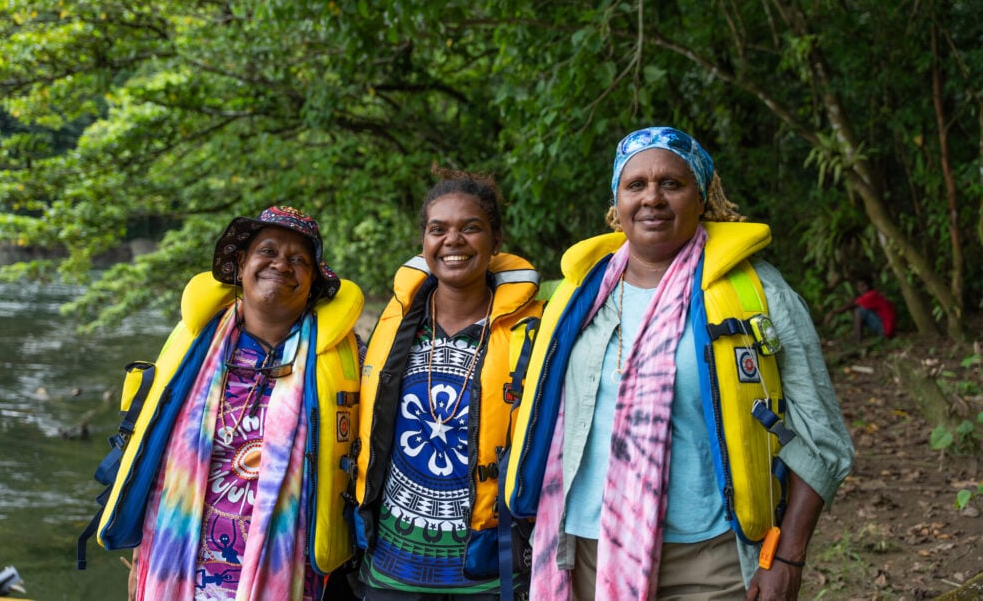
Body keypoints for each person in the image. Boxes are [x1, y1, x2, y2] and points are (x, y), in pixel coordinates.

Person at [504, 127, 855, 601]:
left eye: (671, 183)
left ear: (702, 196)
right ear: (617, 202)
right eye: (636, 185)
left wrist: (788, 558)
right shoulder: (578, 297)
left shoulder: (759, 294)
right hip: (586, 550)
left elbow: (821, 436)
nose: (653, 198)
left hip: (713, 558)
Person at [91, 206, 364, 601]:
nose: (281, 264)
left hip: (288, 576)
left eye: (298, 259)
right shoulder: (194, 350)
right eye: (266, 251)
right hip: (177, 563)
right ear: (241, 265)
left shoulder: (340, 359)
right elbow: (159, 458)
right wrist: (141, 558)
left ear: (313, 281)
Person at [353, 168, 543, 600]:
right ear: (424, 242)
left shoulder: (533, 329)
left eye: (471, 228)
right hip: (390, 565)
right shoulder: (396, 324)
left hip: (493, 566)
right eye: (438, 229)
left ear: (496, 242)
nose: (453, 240)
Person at [823, 274, 896, 341]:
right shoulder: (873, 294)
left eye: (861, 286)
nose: (859, 289)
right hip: (886, 327)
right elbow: (853, 303)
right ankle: (859, 337)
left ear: (866, 286)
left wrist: (832, 312)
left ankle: (857, 339)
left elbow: (851, 305)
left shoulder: (871, 295)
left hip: (885, 329)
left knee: (859, 311)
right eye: (858, 287)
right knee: (859, 310)